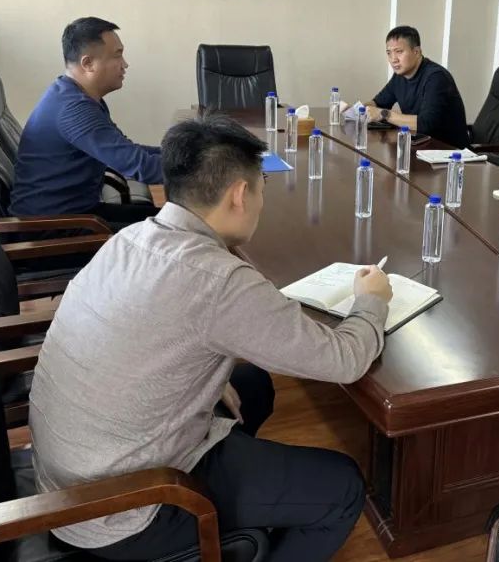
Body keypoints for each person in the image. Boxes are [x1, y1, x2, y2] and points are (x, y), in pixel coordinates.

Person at [29, 112, 393, 561]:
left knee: (252, 386)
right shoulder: (218, 280)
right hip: (125, 509)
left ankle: (249, 509)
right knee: (343, 487)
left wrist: (207, 379)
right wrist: (371, 300)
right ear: (239, 194)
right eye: (262, 185)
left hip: (69, 479)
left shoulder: (131, 238)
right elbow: (345, 360)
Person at [10, 17, 162, 230]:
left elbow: (128, 151)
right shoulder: (74, 109)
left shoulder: (75, 96)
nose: (125, 64)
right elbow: (141, 166)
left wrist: (185, 155)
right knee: (170, 231)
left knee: (167, 222)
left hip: (78, 215)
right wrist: (204, 170)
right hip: (50, 230)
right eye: (117, 55)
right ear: (87, 63)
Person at [364, 25, 468, 148]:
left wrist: (385, 114)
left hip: (449, 152)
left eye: (399, 52)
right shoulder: (399, 76)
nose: (393, 59)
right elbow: (378, 103)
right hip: (420, 147)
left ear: (417, 52)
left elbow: (425, 124)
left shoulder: (436, 77)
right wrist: (357, 110)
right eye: (389, 53)